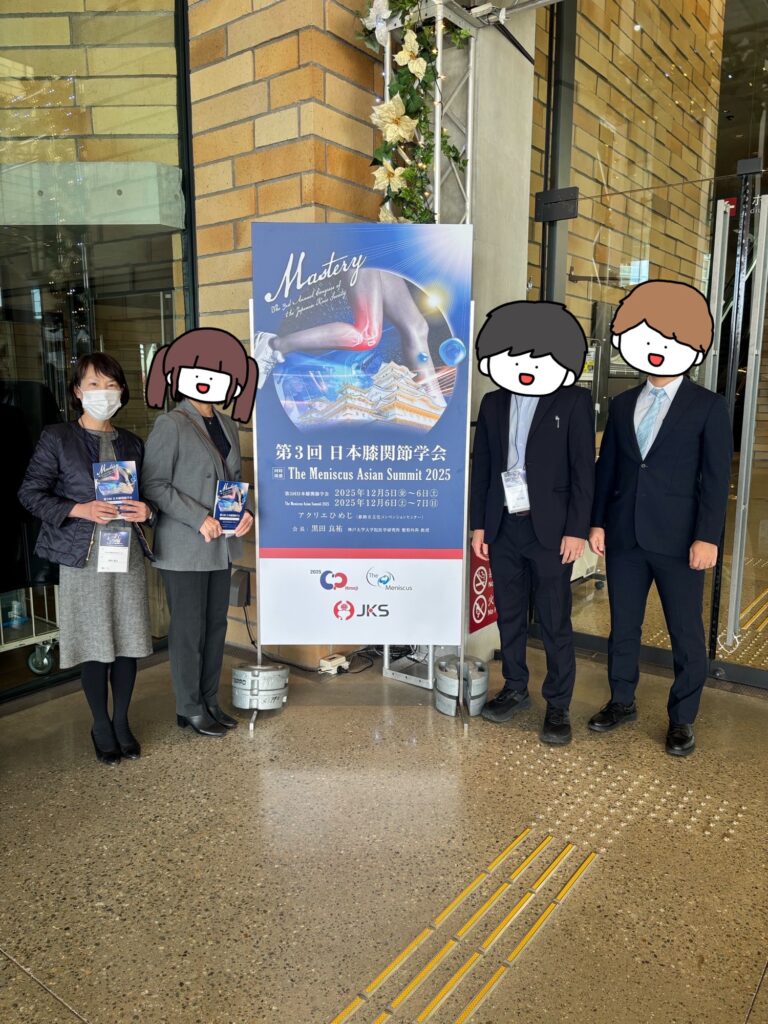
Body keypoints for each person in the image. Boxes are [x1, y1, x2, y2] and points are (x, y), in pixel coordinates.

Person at [588, 280, 733, 757]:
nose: (656, 349)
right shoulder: (622, 404)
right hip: (624, 536)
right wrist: (597, 522)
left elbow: (715, 480)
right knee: (623, 626)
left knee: (685, 633)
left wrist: (708, 537)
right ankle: (621, 700)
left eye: (668, 339)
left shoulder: (708, 407)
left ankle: (682, 718)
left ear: (692, 345)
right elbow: (608, 468)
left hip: (680, 540)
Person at [18, 354, 154, 765]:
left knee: (128, 641)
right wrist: (80, 508)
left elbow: (150, 496)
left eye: (111, 384)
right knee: (95, 643)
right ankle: (100, 725)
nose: (103, 392)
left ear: (122, 391)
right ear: (78, 391)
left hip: (126, 554)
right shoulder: (58, 438)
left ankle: (122, 721)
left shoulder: (132, 443)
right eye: (93, 384)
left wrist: (147, 511)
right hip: (83, 555)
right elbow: (30, 493)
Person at [470, 301, 595, 745]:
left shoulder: (573, 401)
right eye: (514, 356)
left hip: (552, 530)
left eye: (537, 358)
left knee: (555, 619)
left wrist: (577, 529)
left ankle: (558, 705)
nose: (525, 366)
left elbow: (584, 470)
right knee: (509, 615)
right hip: (503, 526)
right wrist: (479, 526)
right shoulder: (493, 402)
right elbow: (483, 467)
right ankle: (516, 687)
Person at [142, 328, 255, 738]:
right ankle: (189, 707)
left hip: (221, 546)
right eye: (199, 371)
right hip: (185, 546)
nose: (207, 380)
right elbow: (154, 484)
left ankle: (208, 700)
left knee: (215, 627)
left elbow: (234, 480)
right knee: (189, 630)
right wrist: (198, 517)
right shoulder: (171, 423)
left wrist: (244, 512)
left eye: (217, 373)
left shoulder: (227, 424)